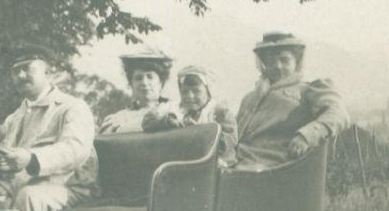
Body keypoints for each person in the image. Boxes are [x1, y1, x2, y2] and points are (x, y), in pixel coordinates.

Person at [0, 43, 98, 211]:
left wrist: (31, 158)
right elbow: (3, 159)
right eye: (15, 72)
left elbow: (74, 150)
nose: (20, 76)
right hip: (22, 187)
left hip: (68, 188)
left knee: (28, 197)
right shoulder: (13, 119)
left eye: (26, 68)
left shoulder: (72, 108)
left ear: (47, 72)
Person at [233, 32, 350, 167]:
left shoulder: (308, 90)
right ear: (264, 64)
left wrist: (306, 136)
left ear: (296, 62)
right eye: (271, 60)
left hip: (275, 169)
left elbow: (338, 113)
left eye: (285, 60)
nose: (278, 66)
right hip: (234, 164)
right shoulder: (250, 98)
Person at [146, 64, 238, 162]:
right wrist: (169, 121)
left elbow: (228, 143)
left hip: (213, 164)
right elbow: (147, 122)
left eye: (196, 91)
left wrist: (197, 133)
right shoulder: (174, 108)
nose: (190, 96)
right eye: (184, 92)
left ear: (208, 91)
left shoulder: (219, 111)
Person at [98, 46, 176, 134]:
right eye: (138, 78)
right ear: (131, 84)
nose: (144, 82)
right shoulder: (119, 118)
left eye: (150, 77)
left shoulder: (172, 109)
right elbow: (106, 135)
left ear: (160, 82)